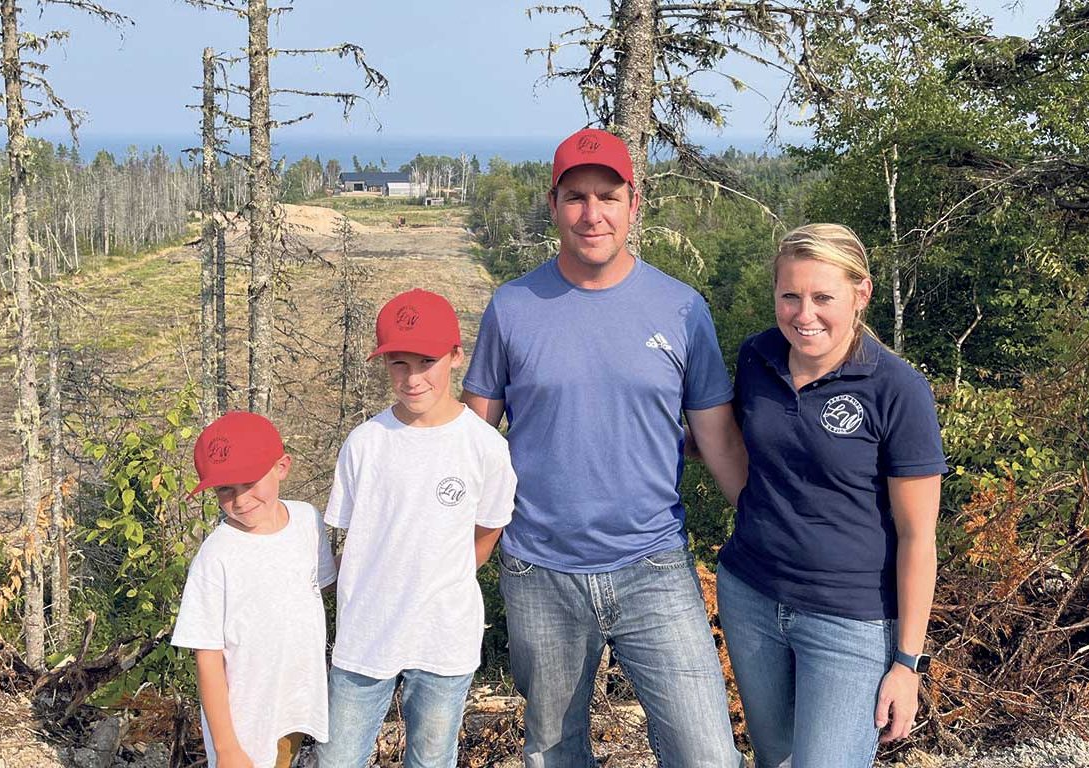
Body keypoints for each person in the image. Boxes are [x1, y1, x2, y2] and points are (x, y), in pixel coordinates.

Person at [462, 128, 747, 767]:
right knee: (556, 752)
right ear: (553, 203)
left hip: (653, 564)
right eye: (576, 197)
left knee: (706, 753)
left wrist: (763, 525)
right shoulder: (513, 308)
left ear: (633, 201)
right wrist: (451, 551)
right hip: (539, 567)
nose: (592, 214)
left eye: (607, 196)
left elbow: (718, 436)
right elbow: (472, 442)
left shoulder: (680, 309)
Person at [716, 223, 947, 767]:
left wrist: (907, 663)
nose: (804, 314)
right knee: (775, 756)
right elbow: (727, 443)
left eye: (823, 297)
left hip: (849, 620)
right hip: (750, 594)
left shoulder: (896, 389)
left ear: (861, 293)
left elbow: (918, 537)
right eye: (790, 295)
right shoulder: (758, 358)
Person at [318, 288, 518, 768]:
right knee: (338, 758)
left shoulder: (484, 447)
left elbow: (486, 535)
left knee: (431, 759)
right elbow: (350, 540)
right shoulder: (365, 444)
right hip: (364, 635)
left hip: (443, 635)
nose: (412, 378)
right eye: (398, 364)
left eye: (426, 360)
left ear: (455, 356)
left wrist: (435, 578)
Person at [171, 411, 337, 768]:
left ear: (282, 466)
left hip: (294, 705)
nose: (241, 499)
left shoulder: (308, 522)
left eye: (249, 481)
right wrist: (227, 747)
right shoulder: (216, 556)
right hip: (245, 725)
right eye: (225, 489)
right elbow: (207, 656)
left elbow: (323, 589)